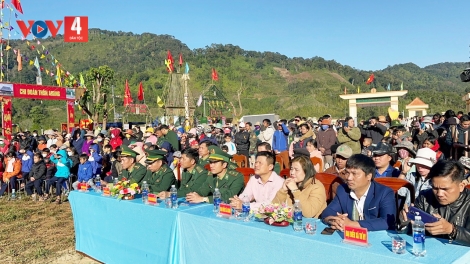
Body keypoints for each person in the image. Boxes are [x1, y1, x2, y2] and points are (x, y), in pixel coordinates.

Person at [401, 160, 470, 246]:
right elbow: (411, 235)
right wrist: (406, 223)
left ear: (461, 186)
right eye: (435, 188)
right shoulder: (425, 197)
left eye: (445, 189)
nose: (439, 194)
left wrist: (452, 230)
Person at [322, 154, 396, 231]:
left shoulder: (384, 193)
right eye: (347, 173)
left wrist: (352, 224)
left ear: (369, 176)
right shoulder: (343, 190)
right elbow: (328, 212)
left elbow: (387, 221)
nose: (349, 178)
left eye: (354, 174)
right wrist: (334, 221)